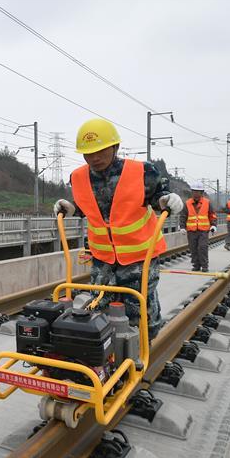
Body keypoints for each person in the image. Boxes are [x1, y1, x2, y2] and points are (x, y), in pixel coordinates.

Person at [53, 118, 183, 338]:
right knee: (101, 303)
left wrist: (167, 200)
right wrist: (71, 208)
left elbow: (158, 198)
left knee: (138, 306)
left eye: (101, 151)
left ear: (115, 147)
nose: (95, 157)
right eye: (88, 152)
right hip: (102, 257)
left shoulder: (143, 172)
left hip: (139, 255)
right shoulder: (77, 177)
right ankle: (109, 354)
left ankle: (145, 347)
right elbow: (88, 206)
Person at [179, 182, 217, 271]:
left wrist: (214, 225)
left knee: (202, 247)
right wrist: (182, 227)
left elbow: (212, 215)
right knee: (193, 248)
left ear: (202, 193)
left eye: (198, 192)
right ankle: (196, 265)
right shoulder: (187, 203)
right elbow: (183, 216)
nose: (196, 193)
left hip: (203, 230)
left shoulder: (207, 203)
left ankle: (204, 265)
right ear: (192, 192)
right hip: (191, 230)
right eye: (194, 191)